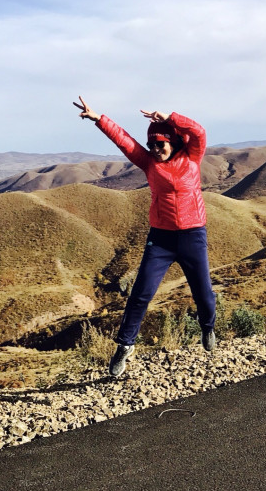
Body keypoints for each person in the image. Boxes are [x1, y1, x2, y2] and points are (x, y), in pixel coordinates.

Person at [73, 97, 216, 377]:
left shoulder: (192, 157)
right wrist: (99, 119)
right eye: (151, 145)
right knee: (140, 294)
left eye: (160, 144)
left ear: (172, 142)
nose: (155, 149)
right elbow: (124, 141)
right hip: (161, 239)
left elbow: (198, 131)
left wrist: (170, 118)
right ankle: (125, 345)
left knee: (203, 293)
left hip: (192, 235)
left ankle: (208, 327)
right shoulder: (149, 163)